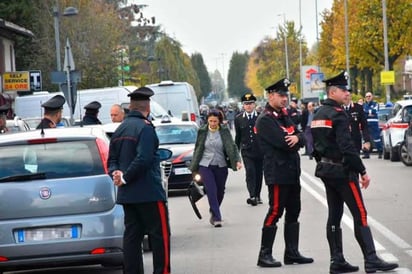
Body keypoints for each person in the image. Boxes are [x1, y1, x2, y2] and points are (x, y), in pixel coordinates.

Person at [311, 71, 398, 274]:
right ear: (332, 92)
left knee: (334, 215)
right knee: (360, 214)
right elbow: (347, 147)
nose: (347, 94)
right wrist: (362, 171)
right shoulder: (338, 114)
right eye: (343, 90)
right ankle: (371, 259)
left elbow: (315, 144)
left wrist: (325, 161)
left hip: (326, 169)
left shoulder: (318, 113)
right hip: (342, 171)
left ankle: (337, 260)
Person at [107, 86, 171, 274]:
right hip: (149, 193)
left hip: (128, 196)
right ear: (147, 107)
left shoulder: (119, 129)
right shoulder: (146, 128)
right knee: (160, 236)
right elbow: (145, 158)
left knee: (132, 238)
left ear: (131, 107)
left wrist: (116, 174)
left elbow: (112, 161)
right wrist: (124, 177)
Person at [255, 78, 313, 268]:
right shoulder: (265, 119)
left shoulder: (284, 116)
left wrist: (297, 137)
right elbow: (283, 143)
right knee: (275, 211)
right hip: (278, 173)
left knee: (294, 210)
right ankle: (264, 254)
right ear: (270, 95)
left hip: (292, 171)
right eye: (281, 95)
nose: (284, 99)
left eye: (286, 95)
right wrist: (296, 139)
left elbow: (302, 136)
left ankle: (292, 252)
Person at [190, 109, 242, 227]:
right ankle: (217, 218)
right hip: (205, 165)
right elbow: (198, 148)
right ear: (207, 121)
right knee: (211, 190)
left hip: (221, 164)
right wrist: (194, 164)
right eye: (210, 121)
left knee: (220, 191)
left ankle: (214, 209)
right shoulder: (202, 131)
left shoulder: (224, 131)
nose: (212, 123)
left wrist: (237, 160)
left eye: (215, 121)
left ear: (219, 121)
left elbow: (232, 147)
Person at [234, 93, 263, 206]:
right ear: (243, 106)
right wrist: (236, 154)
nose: (249, 106)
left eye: (250, 103)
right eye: (246, 104)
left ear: (254, 104)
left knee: (258, 173)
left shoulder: (261, 117)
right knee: (250, 172)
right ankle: (252, 195)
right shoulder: (239, 119)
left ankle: (257, 194)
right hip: (247, 151)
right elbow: (238, 137)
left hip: (259, 150)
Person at [363, 92, 382, 158]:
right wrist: (369, 112)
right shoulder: (364, 105)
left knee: (376, 138)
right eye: (367, 96)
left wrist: (367, 112)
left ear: (372, 97)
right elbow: (363, 112)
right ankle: (366, 154)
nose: (368, 97)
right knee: (366, 139)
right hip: (365, 123)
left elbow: (375, 111)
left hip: (374, 124)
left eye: (369, 96)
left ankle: (380, 151)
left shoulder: (376, 104)